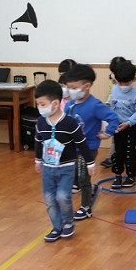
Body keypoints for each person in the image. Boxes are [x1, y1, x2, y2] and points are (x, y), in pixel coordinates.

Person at [34, 80, 96, 241]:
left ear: (55, 104)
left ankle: (68, 222)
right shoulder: (41, 122)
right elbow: (38, 140)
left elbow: (82, 143)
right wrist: (37, 159)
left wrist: (90, 163)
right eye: (38, 104)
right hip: (48, 169)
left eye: (42, 104)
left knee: (62, 196)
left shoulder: (69, 123)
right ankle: (57, 226)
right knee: (49, 200)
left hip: (66, 168)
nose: (39, 108)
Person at [64, 64, 119, 219]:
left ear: (86, 86)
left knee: (84, 177)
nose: (70, 91)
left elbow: (113, 118)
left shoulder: (95, 105)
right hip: (72, 148)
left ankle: (86, 207)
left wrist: (107, 133)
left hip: (88, 148)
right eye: (69, 87)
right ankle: (89, 189)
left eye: (74, 87)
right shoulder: (69, 105)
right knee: (74, 174)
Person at [108, 60, 136, 189]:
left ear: (134, 80)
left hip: (130, 127)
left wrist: (129, 123)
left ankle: (131, 176)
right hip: (117, 127)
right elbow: (111, 106)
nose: (123, 86)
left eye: (126, 83)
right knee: (118, 152)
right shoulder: (114, 90)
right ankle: (117, 175)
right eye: (120, 83)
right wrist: (111, 121)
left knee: (129, 153)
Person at [100, 56, 127, 169]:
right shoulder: (113, 83)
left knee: (119, 138)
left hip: (123, 114)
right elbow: (109, 97)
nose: (112, 75)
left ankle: (112, 158)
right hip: (113, 111)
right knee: (115, 137)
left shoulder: (124, 85)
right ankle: (114, 157)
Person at [58, 58, 79, 192]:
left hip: (74, 132)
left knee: (75, 157)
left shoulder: (77, 97)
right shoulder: (59, 96)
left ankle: (76, 181)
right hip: (61, 131)